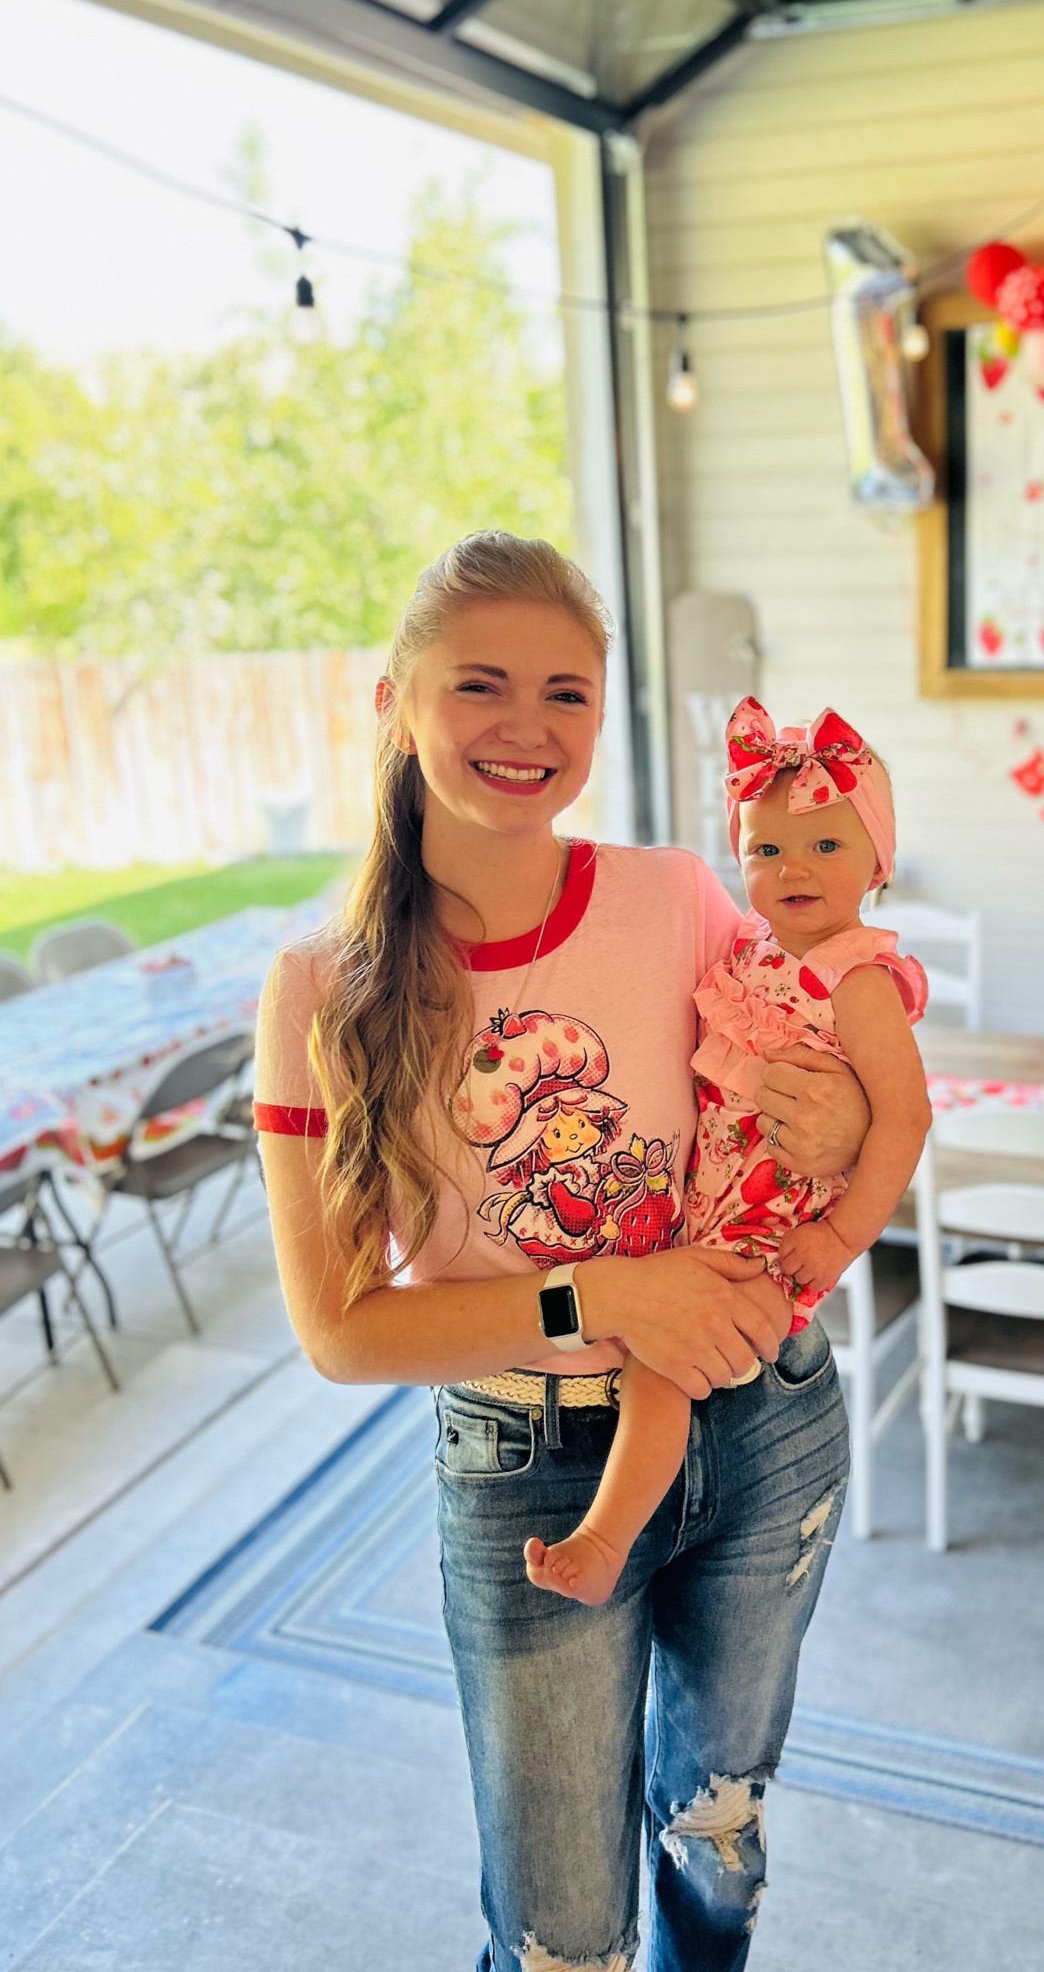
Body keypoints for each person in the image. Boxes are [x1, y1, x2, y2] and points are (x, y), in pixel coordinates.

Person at [253, 532, 873, 1972]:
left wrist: (841, 1109)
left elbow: (826, 1085)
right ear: (397, 701)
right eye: (481, 684)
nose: (526, 727)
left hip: (763, 1417)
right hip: (528, 1466)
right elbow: (342, 1334)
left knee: (715, 1832)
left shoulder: (674, 899)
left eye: (568, 693)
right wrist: (605, 1293)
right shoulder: (320, 992)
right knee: (562, 1934)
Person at [526, 698, 931, 1606]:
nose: (794, 868)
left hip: (777, 1223)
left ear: (878, 862)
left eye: (827, 847)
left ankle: (603, 1541)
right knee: (652, 1354)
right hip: (706, 1203)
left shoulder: (858, 979)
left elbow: (905, 1119)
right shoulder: (746, 945)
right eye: (766, 848)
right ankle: (641, 1534)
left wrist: (841, 1241)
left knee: (658, 1370)